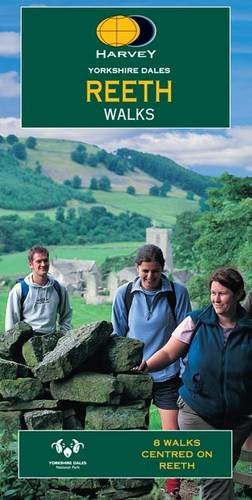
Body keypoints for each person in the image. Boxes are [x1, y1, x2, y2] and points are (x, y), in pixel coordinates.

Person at [136, 267, 252, 500]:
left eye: (223, 293)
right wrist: (146, 365)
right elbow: (169, 353)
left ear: (238, 294)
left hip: (238, 419)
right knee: (216, 474)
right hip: (197, 411)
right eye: (213, 293)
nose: (216, 299)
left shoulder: (249, 329)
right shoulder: (196, 321)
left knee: (218, 476)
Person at [112, 244, 191, 498]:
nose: (149, 277)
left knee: (172, 436)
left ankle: (172, 489)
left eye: (155, 272)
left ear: (163, 269)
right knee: (135, 432)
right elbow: (117, 336)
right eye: (145, 271)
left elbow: (186, 337)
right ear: (137, 268)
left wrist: (185, 374)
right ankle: (137, 488)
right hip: (135, 377)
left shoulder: (177, 293)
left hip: (168, 376)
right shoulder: (123, 295)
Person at [5, 246, 72, 335]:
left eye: (45, 260)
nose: (43, 264)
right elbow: (11, 321)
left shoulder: (59, 288)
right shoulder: (19, 290)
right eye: (39, 261)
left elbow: (66, 314)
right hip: (27, 342)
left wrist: (63, 333)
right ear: (30, 264)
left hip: (51, 340)